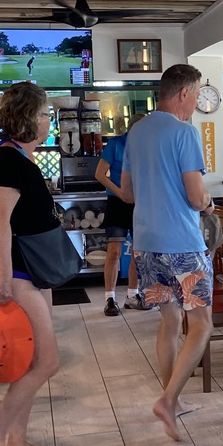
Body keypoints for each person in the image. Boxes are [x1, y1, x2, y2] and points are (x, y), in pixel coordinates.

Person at [121, 64, 214, 443]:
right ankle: (169, 399)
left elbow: (127, 193)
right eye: (195, 96)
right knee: (202, 323)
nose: (195, 104)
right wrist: (207, 202)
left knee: (170, 323)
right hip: (183, 246)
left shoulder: (137, 132)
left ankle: (170, 400)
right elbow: (195, 196)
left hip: (146, 246)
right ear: (183, 94)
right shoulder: (184, 133)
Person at [0, 82, 60, 446]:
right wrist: (6, 279)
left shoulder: (19, 158)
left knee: (31, 362)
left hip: (30, 272)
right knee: (47, 362)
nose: (48, 121)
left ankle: (17, 440)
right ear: (28, 117)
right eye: (45, 113)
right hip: (17, 274)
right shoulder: (9, 161)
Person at [95, 125, 143, 315]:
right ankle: (110, 298)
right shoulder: (116, 144)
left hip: (139, 202)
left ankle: (132, 295)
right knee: (114, 251)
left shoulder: (146, 146)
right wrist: (119, 192)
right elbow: (99, 174)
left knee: (137, 252)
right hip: (116, 201)